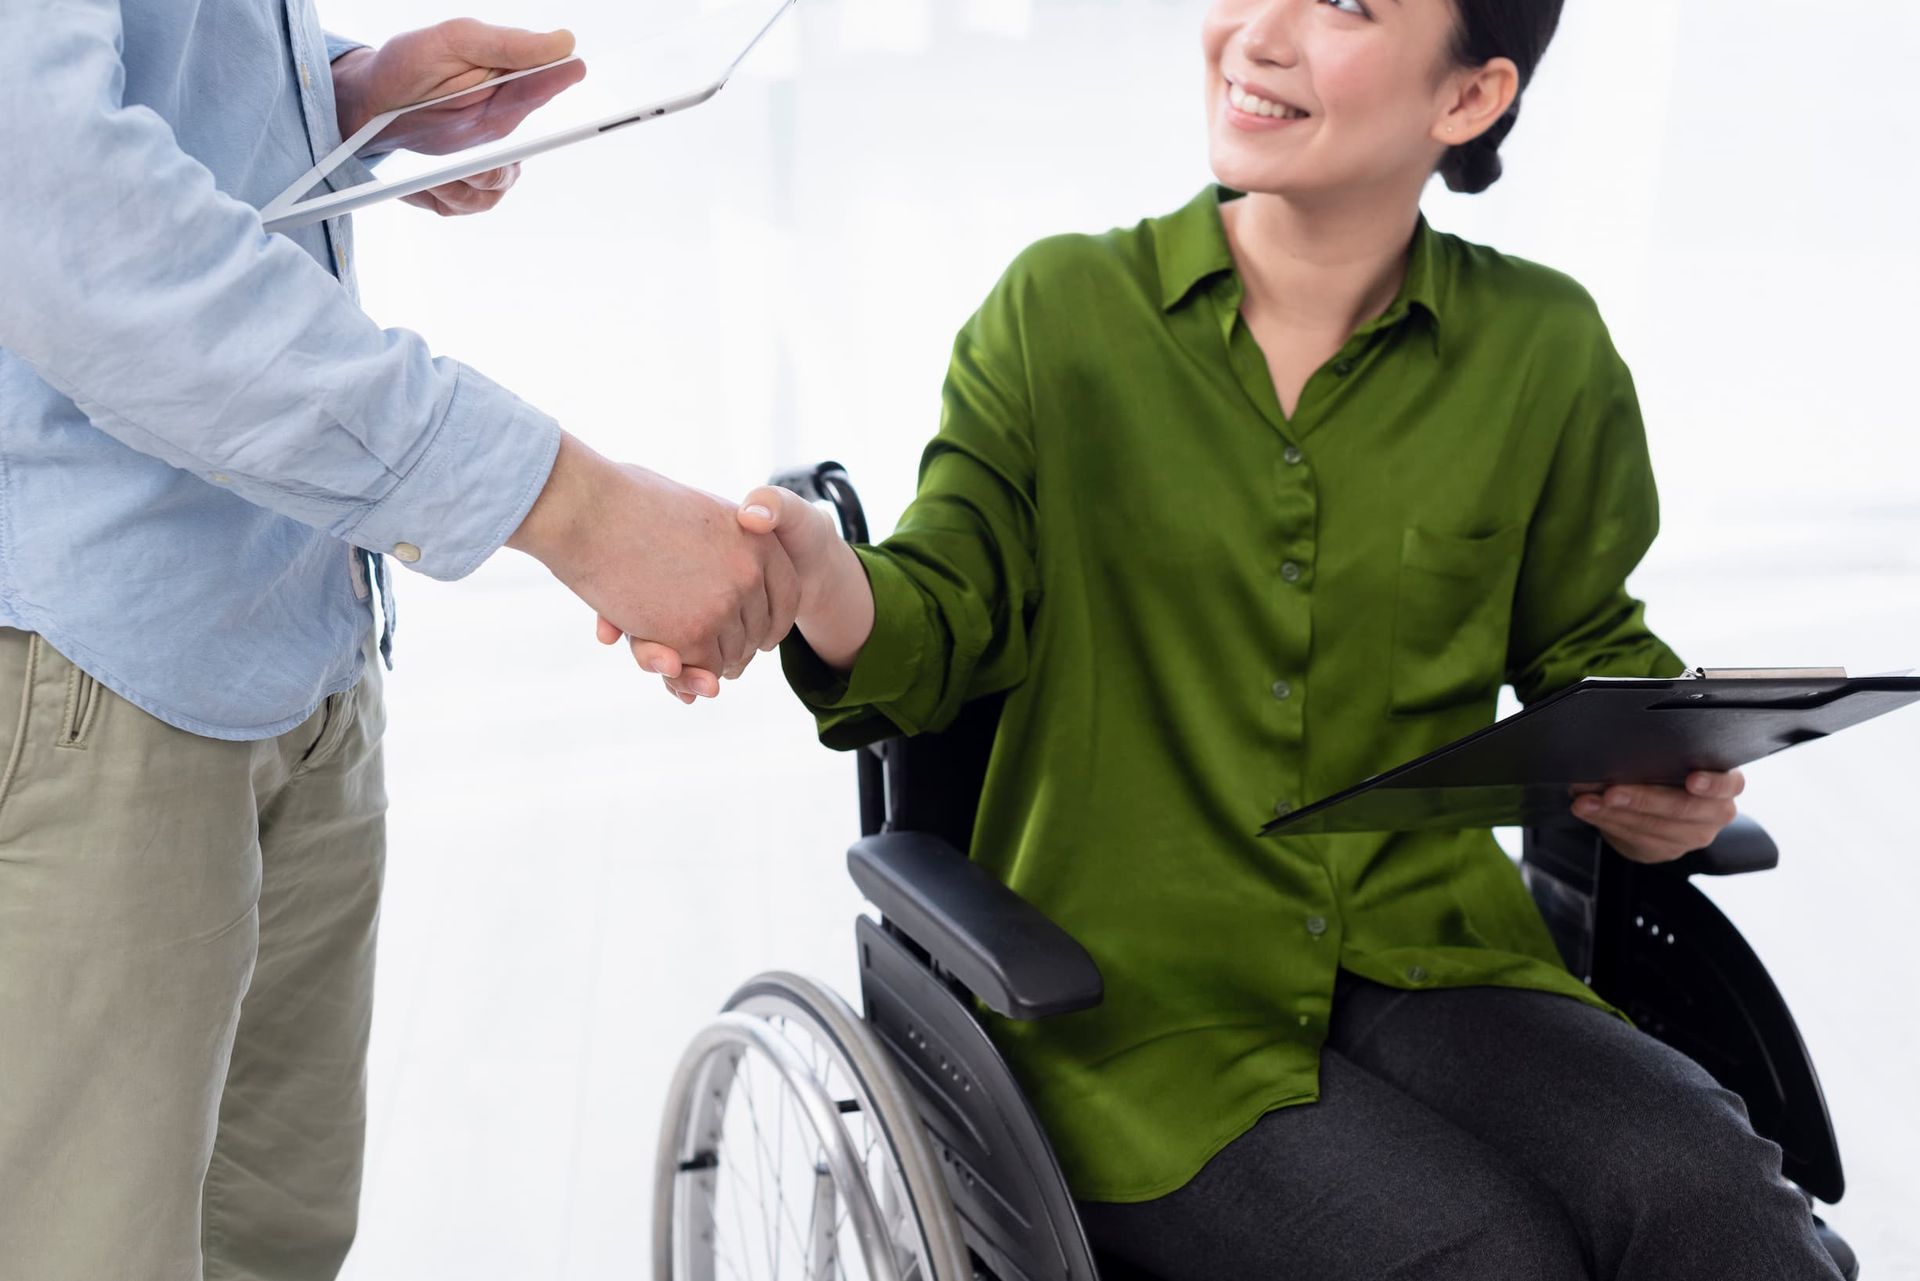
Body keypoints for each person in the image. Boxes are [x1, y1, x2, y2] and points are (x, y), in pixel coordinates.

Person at [618, 0, 1846, 1275]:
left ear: (1469, 100)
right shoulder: (1063, 315)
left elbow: (1587, 641)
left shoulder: (1544, 352)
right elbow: (942, 612)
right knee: (1488, 1257)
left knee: (1721, 1206)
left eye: (1349, 7)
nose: (1259, 33)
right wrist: (824, 573)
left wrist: (1666, 773)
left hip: (1435, 956)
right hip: (1136, 1016)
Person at [0, 5, 795, 1279]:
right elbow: (66, 225)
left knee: (274, 1241)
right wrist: (573, 505)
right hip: (83, 662)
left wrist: (342, 96)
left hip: (289, 625)